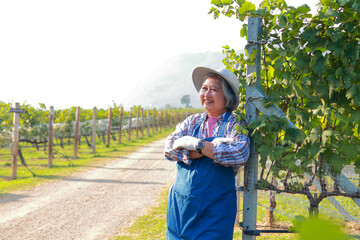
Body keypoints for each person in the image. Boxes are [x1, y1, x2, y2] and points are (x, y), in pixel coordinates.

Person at [164, 66, 250, 239]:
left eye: (214, 90)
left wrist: (192, 145)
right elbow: (169, 148)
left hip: (215, 209)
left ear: (227, 96)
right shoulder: (192, 121)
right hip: (181, 206)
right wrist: (205, 148)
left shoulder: (235, 124)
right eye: (204, 88)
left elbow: (240, 153)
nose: (207, 94)